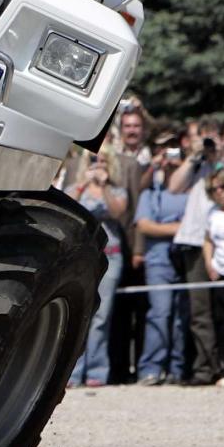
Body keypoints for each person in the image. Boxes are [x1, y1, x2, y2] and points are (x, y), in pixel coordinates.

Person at [67, 151, 127, 387]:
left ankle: (97, 371)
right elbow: (68, 204)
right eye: (94, 160)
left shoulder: (116, 190)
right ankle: (71, 372)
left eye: (103, 160)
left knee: (101, 316)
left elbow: (118, 211)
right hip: (81, 256)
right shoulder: (76, 187)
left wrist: (104, 187)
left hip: (110, 256)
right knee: (78, 313)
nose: (98, 164)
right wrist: (83, 183)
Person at [171, 118, 224, 384]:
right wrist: (194, 157)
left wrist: (217, 156)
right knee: (199, 311)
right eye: (204, 136)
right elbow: (174, 186)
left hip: (220, 242)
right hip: (194, 243)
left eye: (213, 136)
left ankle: (220, 366)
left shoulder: (219, 166)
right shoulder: (197, 165)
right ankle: (205, 369)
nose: (209, 141)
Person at [133, 141, 189, 385]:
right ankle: (151, 367)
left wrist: (165, 228)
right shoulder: (150, 193)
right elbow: (144, 225)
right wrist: (179, 228)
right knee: (160, 313)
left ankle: (177, 368)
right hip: (158, 261)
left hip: (186, 260)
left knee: (181, 316)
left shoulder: (191, 191)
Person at [201, 167, 224, 387]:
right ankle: (222, 369)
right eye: (215, 189)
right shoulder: (213, 214)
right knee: (220, 323)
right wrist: (209, 263)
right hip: (220, 273)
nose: (219, 192)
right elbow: (208, 240)